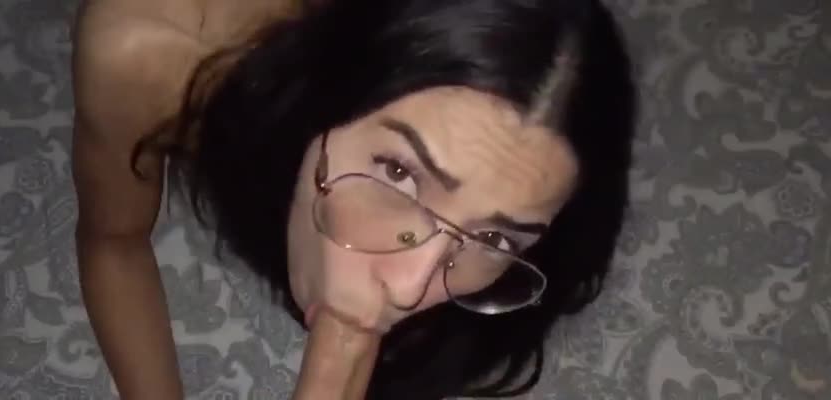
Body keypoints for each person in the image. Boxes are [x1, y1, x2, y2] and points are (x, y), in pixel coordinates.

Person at [70, 0, 637, 399]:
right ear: (331, 84)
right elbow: (114, 242)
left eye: (495, 237)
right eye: (399, 172)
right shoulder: (152, 51)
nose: (410, 287)